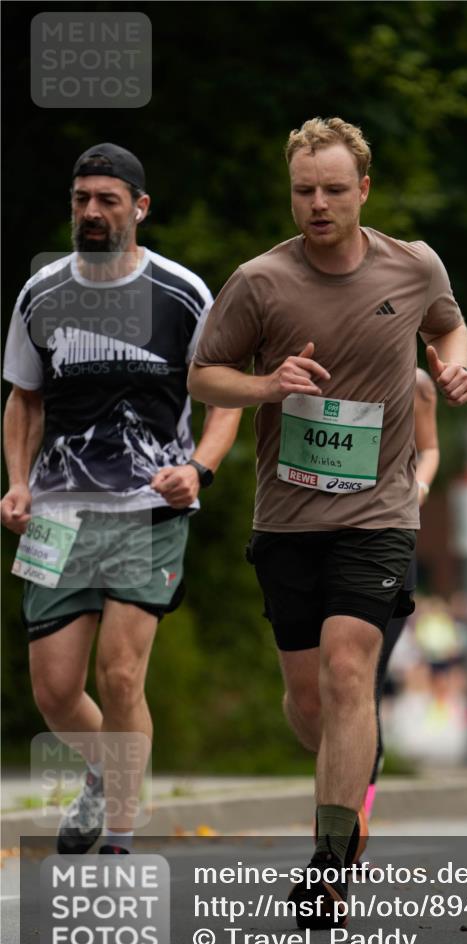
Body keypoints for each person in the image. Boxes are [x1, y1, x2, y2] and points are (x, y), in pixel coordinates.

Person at [188, 117, 467, 926]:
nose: (317, 204)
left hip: (379, 511)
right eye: (304, 190)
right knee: (310, 699)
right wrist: (268, 387)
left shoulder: (412, 266)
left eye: (333, 190)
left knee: (352, 670)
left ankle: (325, 867)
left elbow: (445, 323)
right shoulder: (259, 281)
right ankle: (352, 766)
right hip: (287, 514)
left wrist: (452, 366)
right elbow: (205, 378)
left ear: (364, 191)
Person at [1, 143, 241, 855]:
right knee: (52, 690)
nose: (92, 212)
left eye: (108, 199)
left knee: (120, 671)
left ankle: (119, 834)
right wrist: (16, 480)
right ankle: (107, 774)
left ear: (139, 207)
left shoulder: (182, 293)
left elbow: (226, 397)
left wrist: (199, 467)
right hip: (56, 511)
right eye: (82, 200)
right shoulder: (41, 293)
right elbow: (23, 399)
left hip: (149, 507)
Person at [364, 367, 440, 820]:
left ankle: (354, 812)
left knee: (362, 683)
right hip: (309, 537)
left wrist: (421, 487)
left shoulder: (416, 383)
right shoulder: (308, 367)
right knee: (316, 693)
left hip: (386, 543)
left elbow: (429, 448)